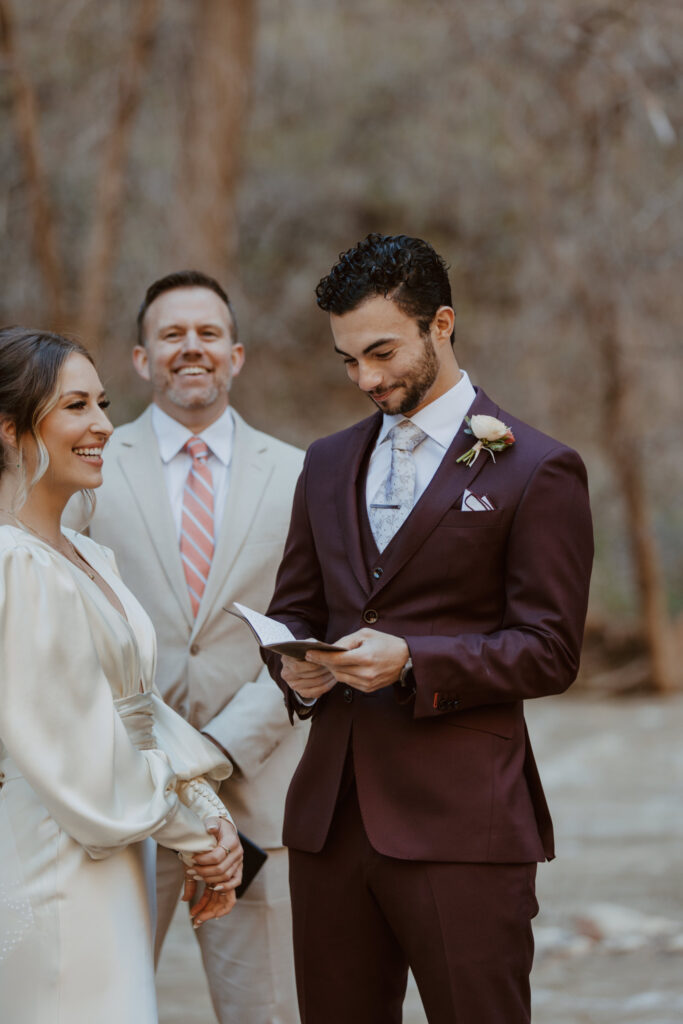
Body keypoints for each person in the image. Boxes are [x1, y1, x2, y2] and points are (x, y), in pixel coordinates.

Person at [263, 233, 594, 1024]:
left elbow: (549, 651)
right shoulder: (326, 462)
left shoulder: (536, 468)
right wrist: (293, 667)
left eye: (380, 353)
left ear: (441, 324)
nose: (365, 379)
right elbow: (294, 611)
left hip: (463, 826)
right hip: (329, 825)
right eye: (347, 361)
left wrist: (415, 660)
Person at [66, 271, 306, 1024]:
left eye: (207, 334)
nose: (190, 348)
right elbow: (68, 624)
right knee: (98, 1007)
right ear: (141, 359)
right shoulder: (88, 468)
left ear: (236, 356)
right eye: (171, 334)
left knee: (263, 1012)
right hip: (118, 794)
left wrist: (217, 750)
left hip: (255, 794)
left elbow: (305, 633)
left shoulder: (300, 475)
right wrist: (153, 760)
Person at [0, 326, 244, 1024]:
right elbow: (71, 740)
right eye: (76, 406)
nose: (103, 425)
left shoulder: (84, 553)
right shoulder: (12, 563)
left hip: (117, 841)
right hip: (54, 844)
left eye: (102, 404)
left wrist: (209, 813)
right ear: (11, 426)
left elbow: (139, 707)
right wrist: (194, 840)